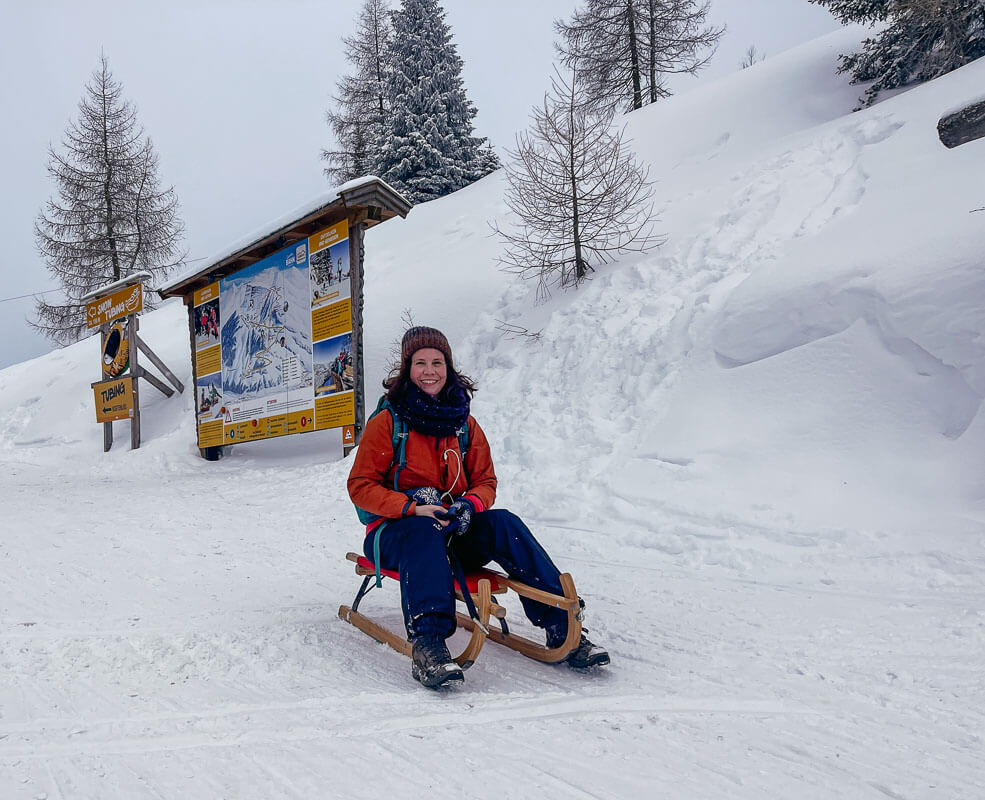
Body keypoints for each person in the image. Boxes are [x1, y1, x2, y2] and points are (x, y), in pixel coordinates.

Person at [347, 326, 609, 688]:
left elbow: (486, 481)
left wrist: (470, 505)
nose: (429, 370)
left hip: (452, 535)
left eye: (437, 362)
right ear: (407, 369)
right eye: (420, 362)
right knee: (424, 530)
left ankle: (563, 626)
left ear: (448, 367)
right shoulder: (388, 423)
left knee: (503, 523)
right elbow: (360, 487)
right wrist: (409, 506)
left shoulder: (465, 425)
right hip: (397, 536)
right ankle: (429, 643)